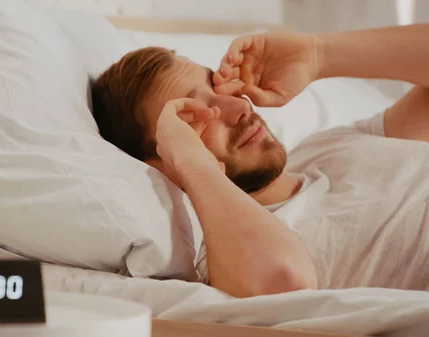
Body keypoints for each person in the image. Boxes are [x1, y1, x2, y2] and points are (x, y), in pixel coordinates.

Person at [91, 24, 429, 298]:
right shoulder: (225, 251)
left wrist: (318, 55)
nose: (240, 108)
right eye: (195, 116)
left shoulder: (325, 148)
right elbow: (283, 283)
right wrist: (194, 164)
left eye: (217, 87)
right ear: (163, 161)